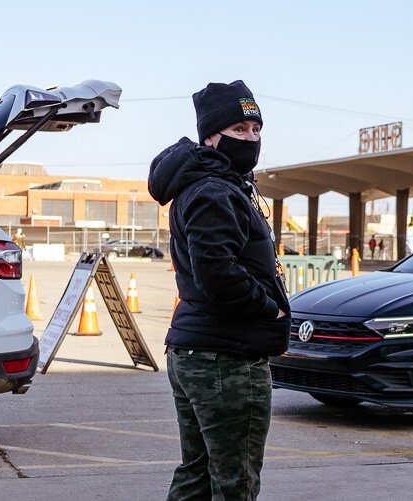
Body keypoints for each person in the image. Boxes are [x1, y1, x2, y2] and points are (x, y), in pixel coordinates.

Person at [147, 80, 290, 501]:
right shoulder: (214, 191)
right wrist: (271, 310)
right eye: (239, 130)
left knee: (199, 474)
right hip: (225, 359)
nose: (250, 139)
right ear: (210, 136)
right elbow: (217, 273)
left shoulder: (214, 185)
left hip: (200, 351)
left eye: (255, 130)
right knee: (235, 480)